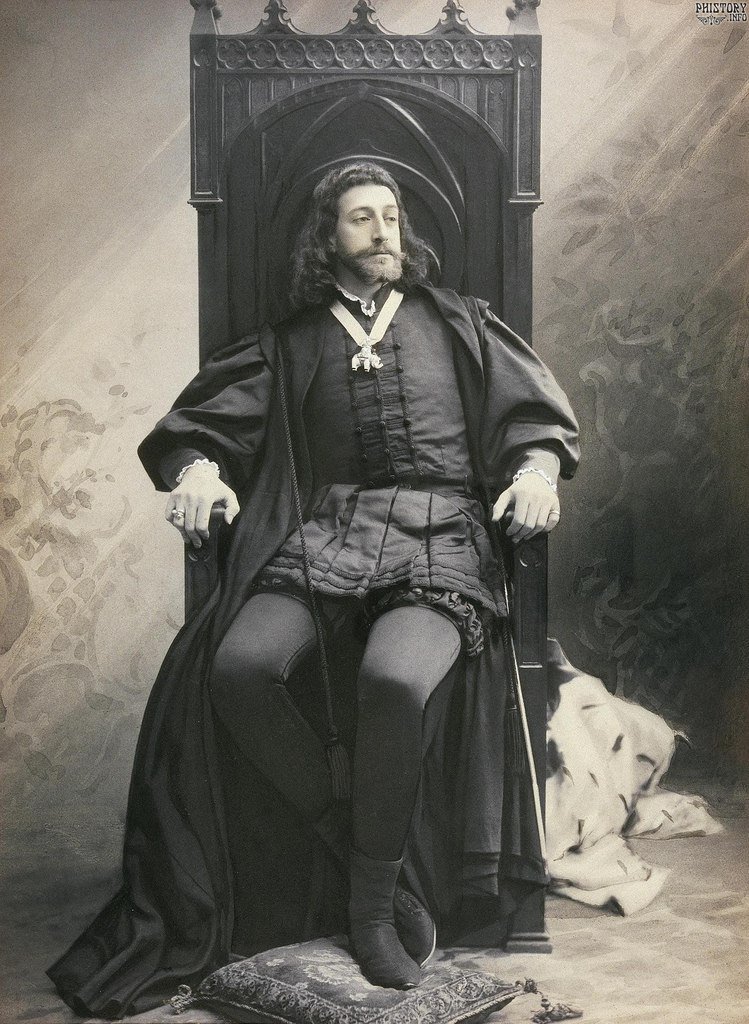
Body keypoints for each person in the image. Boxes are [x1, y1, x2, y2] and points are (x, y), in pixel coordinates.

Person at [48, 162, 579, 1017]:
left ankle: (369, 910)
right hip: (329, 531)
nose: (382, 230)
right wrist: (198, 471)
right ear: (325, 236)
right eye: (361, 217)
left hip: (442, 533)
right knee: (239, 670)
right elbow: (198, 430)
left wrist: (536, 471)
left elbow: (531, 418)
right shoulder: (288, 342)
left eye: (391, 215)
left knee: (392, 679)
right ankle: (354, 843)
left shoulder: (458, 321)